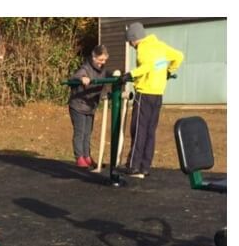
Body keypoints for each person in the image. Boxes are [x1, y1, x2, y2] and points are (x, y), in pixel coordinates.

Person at [123, 23, 184, 178]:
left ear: (133, 39)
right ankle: (145, 166)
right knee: (150, 131)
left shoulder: (143, 49)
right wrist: (168, 71)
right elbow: (178, 56)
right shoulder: (160, 46)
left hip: (144, 93)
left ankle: (134, 166)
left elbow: (147, 66)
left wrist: (130, 74)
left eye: (130, 42)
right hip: (157, 94)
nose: (131, 46)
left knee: (139, 130)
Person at [68, 45, 110, 169]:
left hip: (90, 105)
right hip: (78, 105)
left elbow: (109, 75)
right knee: (80, 132)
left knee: (87, 133)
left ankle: (87, 156)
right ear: (94, 57)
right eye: (101, 59)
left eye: (105, 60)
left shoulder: (102, 70)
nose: (103, 62)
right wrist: (82, 78)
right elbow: (75, 76)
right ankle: (79, 157)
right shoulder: (86, 68)